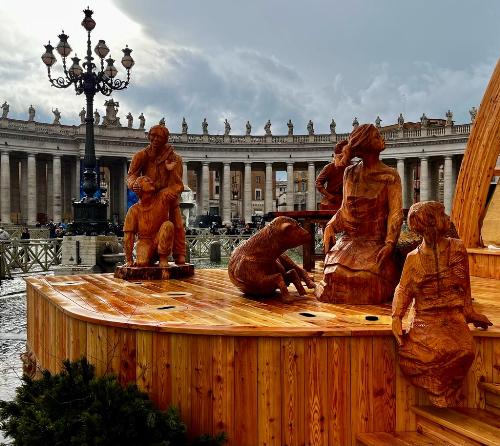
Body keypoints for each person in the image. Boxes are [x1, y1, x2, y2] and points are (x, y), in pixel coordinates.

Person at [392, 201, 492, 406]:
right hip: (425, 317)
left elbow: (464, 286)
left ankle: (444, 389)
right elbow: (403, 289)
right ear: (430, 223)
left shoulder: (457, 248)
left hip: (452, 315)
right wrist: (396, 316)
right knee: (429, 353)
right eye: (442, 214)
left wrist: (469, 312)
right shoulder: (413, 258)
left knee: (465, 350)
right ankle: (438, 391)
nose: (448, 218)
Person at [316, 124, 403, 304]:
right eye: (378, 136)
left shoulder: (390, 175)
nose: (383, 139)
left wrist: (389, 243)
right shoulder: (350, 172)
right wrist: (331, 226)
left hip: (376, 242)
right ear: (367, 145)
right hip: (350, 241)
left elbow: (396, 213)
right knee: (334, 275)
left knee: (366, 279)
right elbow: (344, 209)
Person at [127, 124, 186, 264]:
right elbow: (131, 176)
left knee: (177, 223)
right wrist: (134, 184)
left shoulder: (174, 158)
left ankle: (179, 253)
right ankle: (144, 250)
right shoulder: (141, 156)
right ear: (148, 136)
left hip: (168, 196)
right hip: (149, 196)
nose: (155, 139)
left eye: (159, 137)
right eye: (152, 136)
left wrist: (171, 190)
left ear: (165, 139)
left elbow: (178, 184)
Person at [123, 176, 175, 267]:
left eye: (151, 181)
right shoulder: (133, 210)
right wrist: (129, 259)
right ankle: (150, 258)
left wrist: (172, 171)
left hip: (159, 237)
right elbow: (128, 236)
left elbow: (177, 187)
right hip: (144, 241)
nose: (151, 182)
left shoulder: (162, 199)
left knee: (168, 225)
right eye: (147, 181)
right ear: (139, 187)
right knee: (142, 263)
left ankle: (163, 258)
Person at [315, 139, 352, 215]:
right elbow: (318, 183)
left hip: (346, 200)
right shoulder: (330, 167)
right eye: (347, 152)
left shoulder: (351, 167)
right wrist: (329, 195)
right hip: (332, 201)